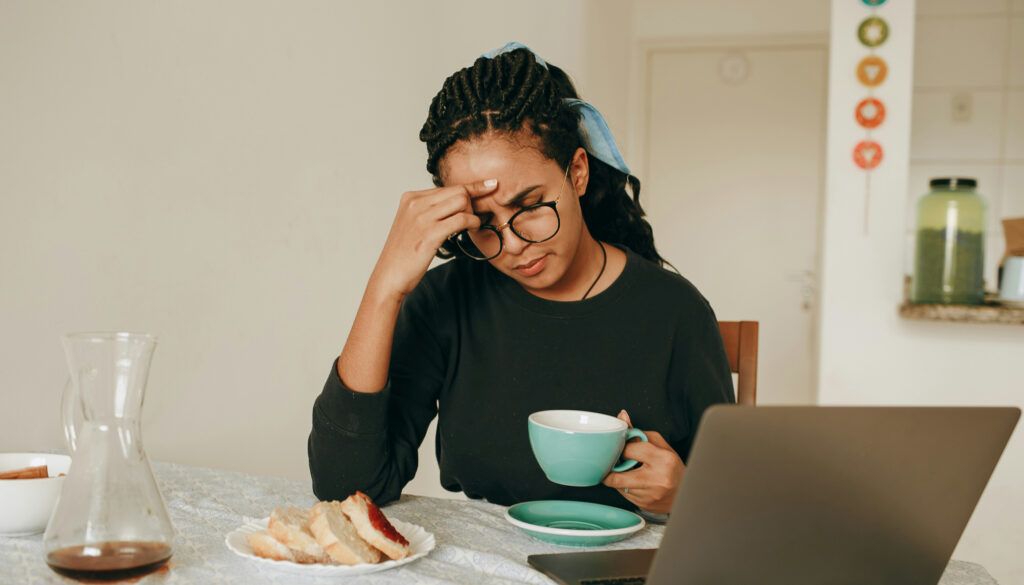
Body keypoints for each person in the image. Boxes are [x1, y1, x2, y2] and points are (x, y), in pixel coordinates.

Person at [308, 43, 734, 516]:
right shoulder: (446, 301)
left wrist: (687, 494)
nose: (511, 246)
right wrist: (385, 287)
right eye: (484, 222)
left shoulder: (675, 312)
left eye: (530, 206)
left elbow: (735, 510)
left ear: (577, 172)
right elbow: (346, 487)